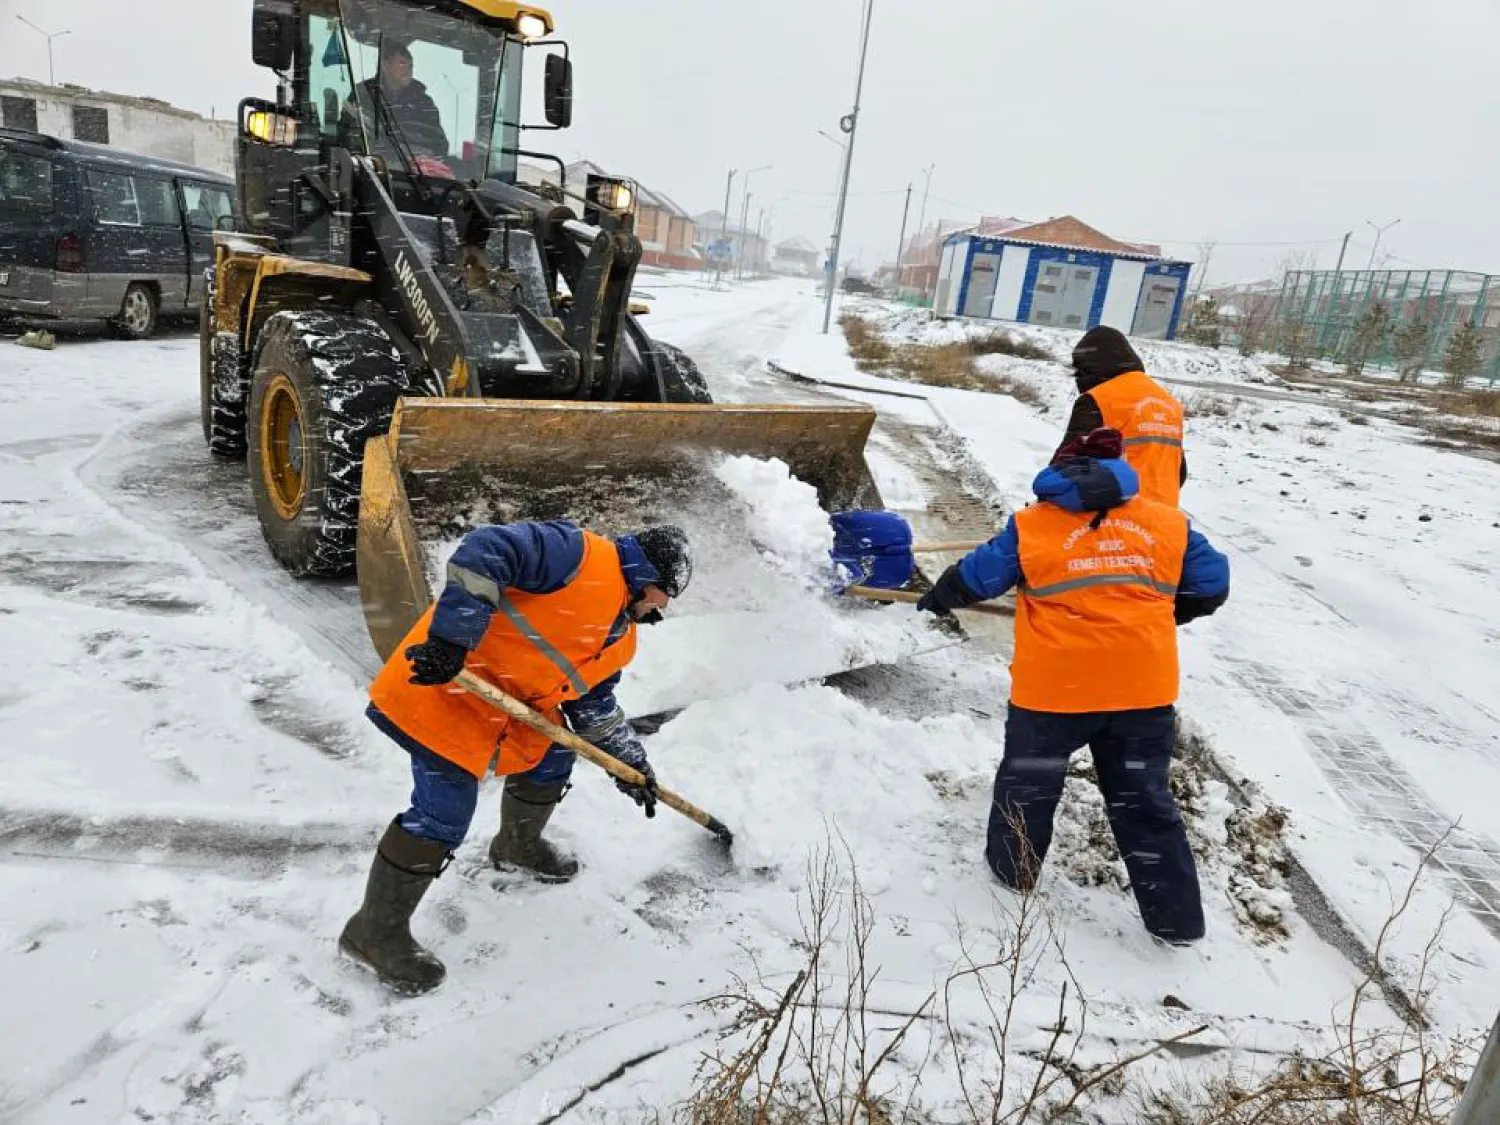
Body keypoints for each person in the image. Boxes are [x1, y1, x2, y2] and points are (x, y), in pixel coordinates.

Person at [340, 520, 692, 994]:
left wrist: (630, 766)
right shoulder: (579, 555)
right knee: (445, 811)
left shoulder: (620, 636)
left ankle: (517, 847)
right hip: (446, 686)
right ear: (647, 576)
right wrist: (452, 639)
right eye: (659, 598)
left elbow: (593, 707)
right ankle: (373, 933)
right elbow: (488, 549)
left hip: (504, 713)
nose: (657, 612)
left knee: (552, 757)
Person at [917, 428, 1229, 944]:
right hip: (1141, 695)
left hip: (1054, 696)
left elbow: (975, 579)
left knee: (1028, 788)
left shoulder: (1033, 527)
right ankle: (1176, 923)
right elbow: (1213, 583)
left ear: (1057, 478)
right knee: (1144, 802)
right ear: (1123, 480)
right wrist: (1167, 612)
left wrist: (936, 599)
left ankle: (1011, 879)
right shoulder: (1169, 524)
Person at [1058, 326, 1187, 507]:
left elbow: (1064, 467)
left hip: (1115, 520)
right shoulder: (1169, 403)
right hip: (1163, 520)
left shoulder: (1098, 399)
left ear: (1091, 369)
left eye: (1081, 373)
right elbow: (1179, 471)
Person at [351, 40, 450, 163]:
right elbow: (352, 136)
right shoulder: (363, 95)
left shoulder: (424, 103)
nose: (408, 70)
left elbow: (439, 143)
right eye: (402, 64)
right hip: (375, 169)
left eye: (410, 66)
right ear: (385, 66)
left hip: (420, 174)